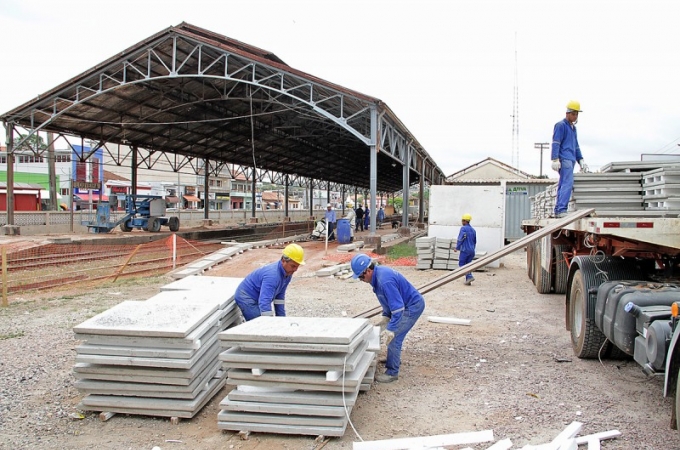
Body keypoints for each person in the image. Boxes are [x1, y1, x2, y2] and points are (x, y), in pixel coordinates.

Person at [350, 253, 425, 383]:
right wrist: (385, 317)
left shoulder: (384, 281)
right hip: (404, 305)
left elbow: (398, 308)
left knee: (394, 336)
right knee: (391, 332)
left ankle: (392, 372)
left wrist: (391, 328)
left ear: (368, 271)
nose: (360, 280)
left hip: (412, 307)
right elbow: (387, 300)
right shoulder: (377, 277)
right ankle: (393, 357)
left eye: (361, 277)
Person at [234, 243, 305, 321]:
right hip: (246, 297)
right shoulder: (272, 276)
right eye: (293, 266)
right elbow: (265, 302)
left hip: (257, 297)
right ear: (283, 261)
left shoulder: (287, 273)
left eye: (297, 266)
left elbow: (280, 297)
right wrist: (269, 324)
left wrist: (282, 320)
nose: (295, 269)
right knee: (258, 325)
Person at [551, 100, 589, 218]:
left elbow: (575, 145)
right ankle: (562, 209)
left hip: (571, 159)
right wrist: (555, 159)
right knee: (567, 183)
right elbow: (556, 142)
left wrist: (580, 159)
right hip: (565, 159)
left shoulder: (573, 129)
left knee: (563, 183)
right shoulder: (561, 125)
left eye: (576, 114)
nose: (575, 116)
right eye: (573, 113)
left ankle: (558, 209)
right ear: (567, 113)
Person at [453, 213, 477, 285]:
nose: (461, 222)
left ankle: (469, 276)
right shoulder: (473, 230)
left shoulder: (463, 229)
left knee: (462, 264)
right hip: (472, 250)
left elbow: (461, 239)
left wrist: (457, 247)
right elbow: (475, 241)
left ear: (464, 221)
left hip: (465, 250)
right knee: (468, 265)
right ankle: (468, 280)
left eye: (462, 221)